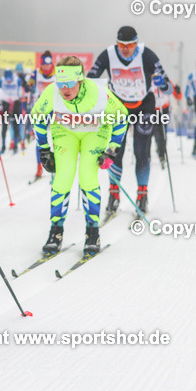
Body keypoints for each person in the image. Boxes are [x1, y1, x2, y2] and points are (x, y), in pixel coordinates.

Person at [31, 56, 128, 256]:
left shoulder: (99, 93)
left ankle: (92, 231)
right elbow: (38, 118)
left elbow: (122, 117)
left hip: (95, 132)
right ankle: (55, 231)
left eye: (70, 83)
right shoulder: (52, 92)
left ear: (81, 80)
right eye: (60, 83)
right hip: (66, 131)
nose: (64, 89)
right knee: (63, 179)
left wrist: (112, 150)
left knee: (87, 177)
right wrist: (44, 149)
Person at [87, 25, 171, 213]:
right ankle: (114, 194)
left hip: (144, 105)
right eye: (121, 45)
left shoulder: (147, 55)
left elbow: (169, 88)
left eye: (130, 45)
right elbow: (91, 78)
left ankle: (142, 195)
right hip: (118, 106)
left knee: (141, 151)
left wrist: (162, 84)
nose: (125, 49)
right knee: (115, 150)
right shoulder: (108, 55)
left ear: (136, 43)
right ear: (116, 43)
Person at [31, 51, 56, 179]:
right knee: (40, 140)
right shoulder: (36, 73)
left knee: (57, 137)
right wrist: (28, 85)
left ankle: (57, 164)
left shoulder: (57, 74)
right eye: (44, 65)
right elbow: (28, 86)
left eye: (48, 65)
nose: (46, 68)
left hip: (54, 110)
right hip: (41, 110)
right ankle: (39, 167)